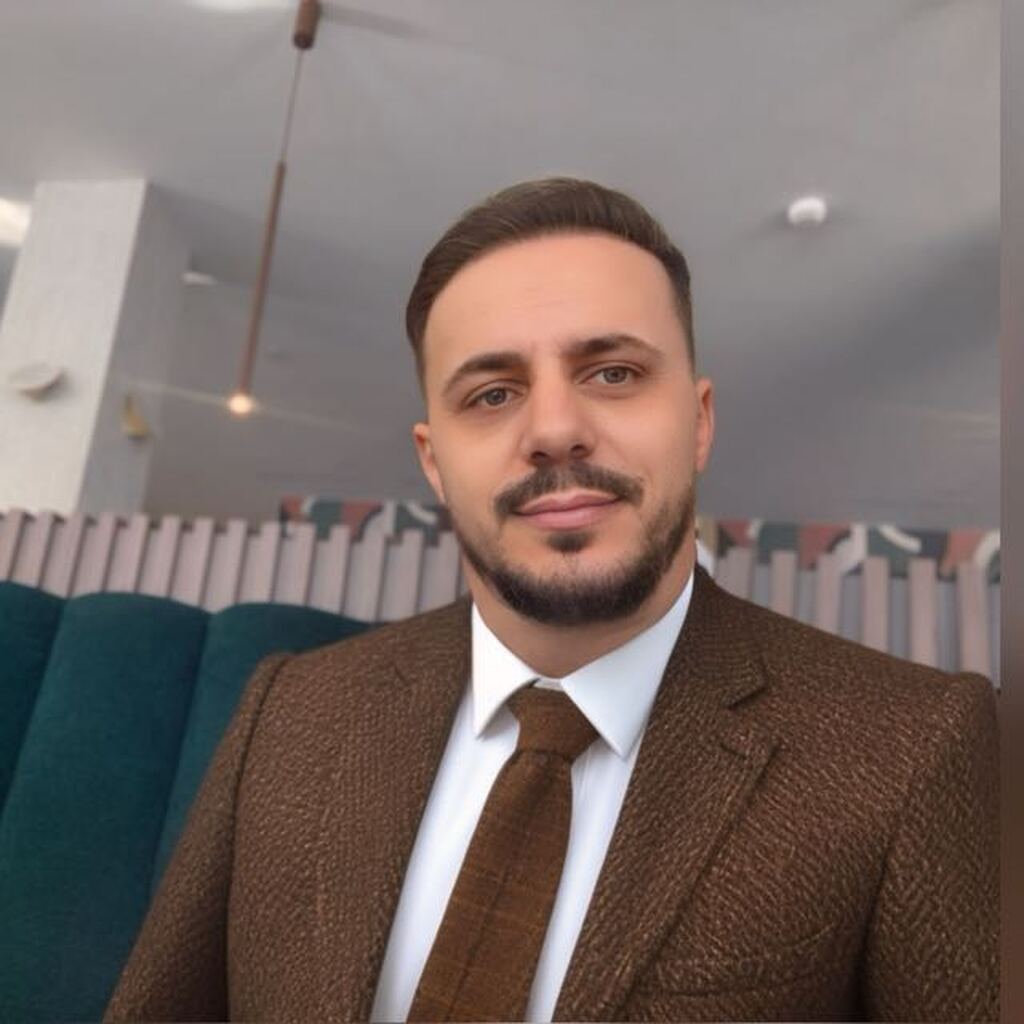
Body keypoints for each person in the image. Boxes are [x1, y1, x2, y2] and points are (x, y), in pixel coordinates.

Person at [105, 178, 998, 1023]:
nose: (556, 430)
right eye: (492, 393)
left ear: (699, 421)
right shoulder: (290, 715)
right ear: (433, 462)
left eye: (613, 373)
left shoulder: (913, 745)